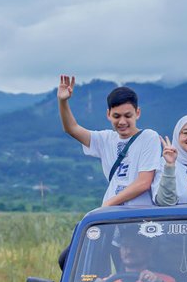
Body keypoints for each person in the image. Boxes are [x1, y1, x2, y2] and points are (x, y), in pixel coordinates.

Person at [57, 77, 161, 208]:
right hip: (113, 215)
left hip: (140, 214)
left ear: (137, 113)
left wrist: (108, 203)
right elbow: (71, 128)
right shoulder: (105, 139)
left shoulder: (149, 137)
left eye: (128, 116)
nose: (122, 122)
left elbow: (144, 182)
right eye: (116, 116)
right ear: (108, 114)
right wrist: (62, 101)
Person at [96, 237, 179, 282]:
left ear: (148, 251)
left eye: (135, 246)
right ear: (120, 251)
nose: (129, 251)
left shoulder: (165, 280)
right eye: (125, 246)